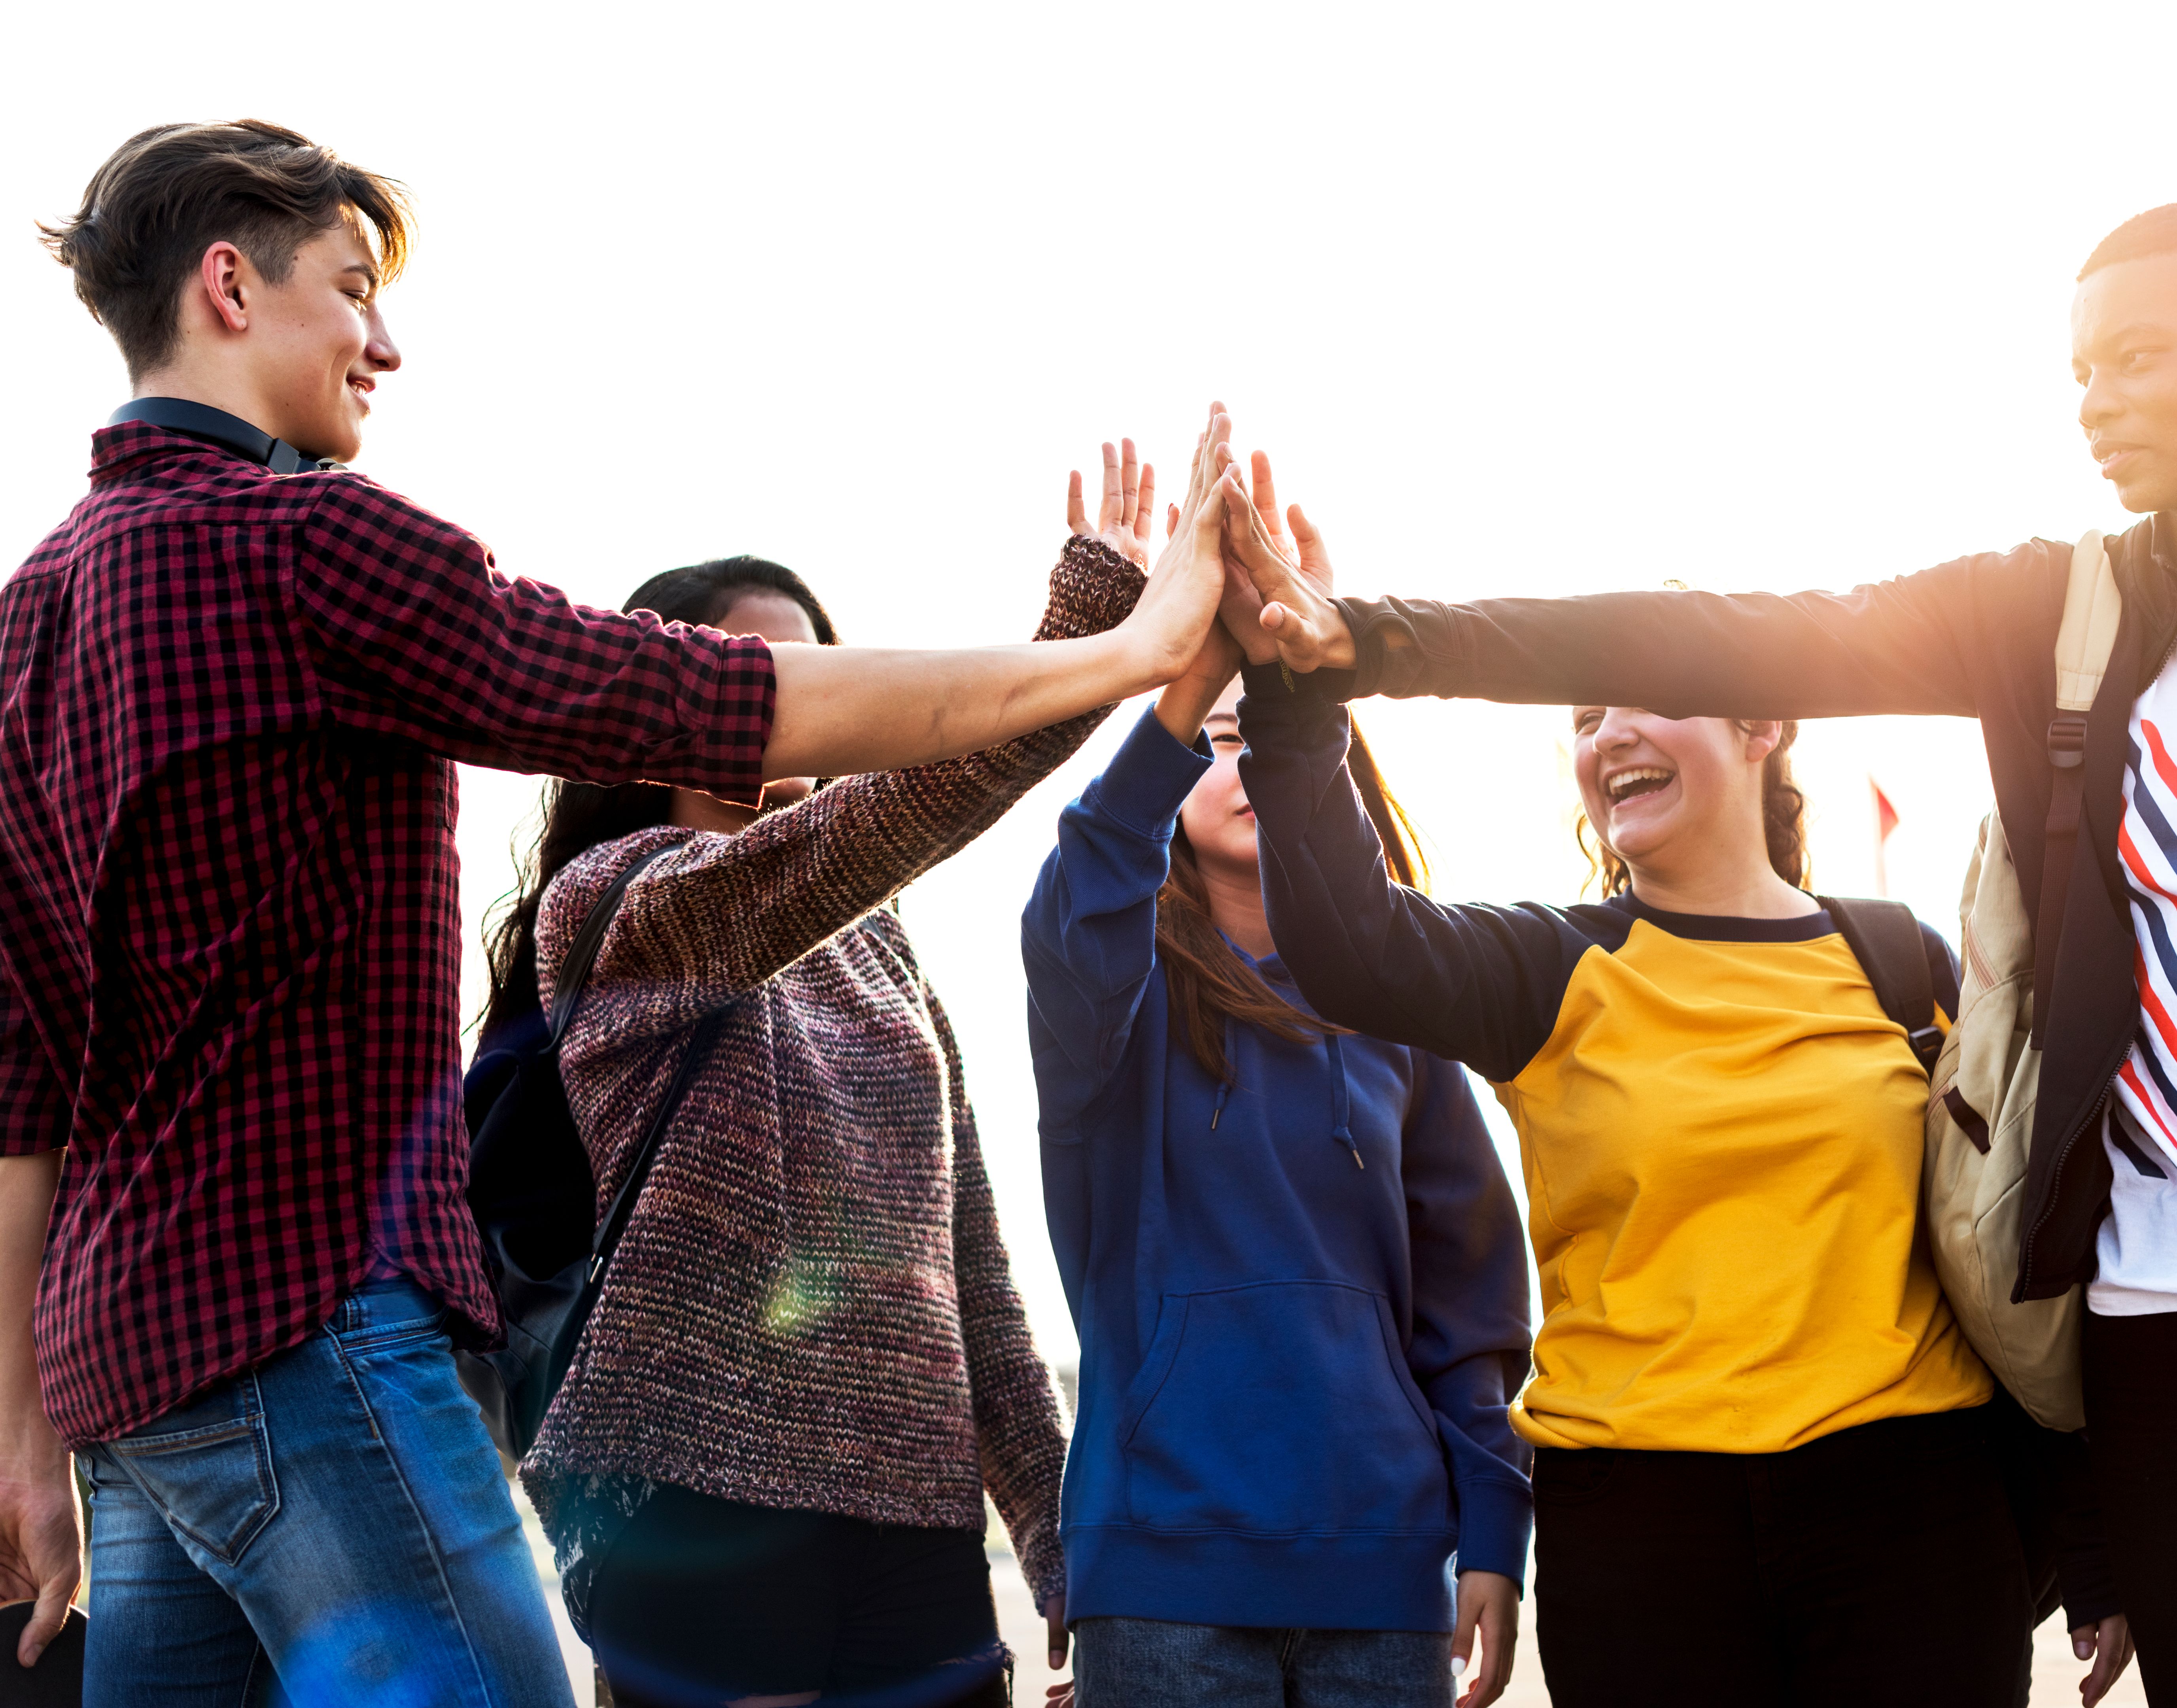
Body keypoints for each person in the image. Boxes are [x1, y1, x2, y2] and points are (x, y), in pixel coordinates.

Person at [1229, 200, 2177, 1706]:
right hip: (2169, 1343)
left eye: (2139, 359)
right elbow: (1726, 631)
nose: (2098, 403)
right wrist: (1369, 640)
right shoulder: (2053, 616)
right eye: (2080, 371)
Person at [0, 120, 1231, 1702]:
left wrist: (27, 1446)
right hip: (314, 1331)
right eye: (352, 288)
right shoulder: (309, 543)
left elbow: (24, 1079)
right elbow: (710, 700)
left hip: (127, 1377)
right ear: (230, 288)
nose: (386, 340)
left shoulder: (27, 620)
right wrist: (1117, 657)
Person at [1223, 476, 2123, 1702]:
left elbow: (2039, 1227)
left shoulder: (1904, 961)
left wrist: (2090, 1525)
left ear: (1767, 727)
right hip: (1645, 1535)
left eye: (1656, 695)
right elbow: (1345, 941)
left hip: (1913, 1513)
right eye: (1588, 713)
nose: (1610, 737)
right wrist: (1296, 684)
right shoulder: (1548, 970)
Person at [494, 455, 1162, 1706]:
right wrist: (1092, 640)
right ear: (667, 710)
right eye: (766, 685)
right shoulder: (617, 903)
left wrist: (1060, 1531)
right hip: (696, 1499)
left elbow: (966, 1262)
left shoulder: (880, 943)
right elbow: (904, 809)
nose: (800, 715)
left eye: (818, 684)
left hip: (911, 1509)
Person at [1019, 480, 1534, 1708]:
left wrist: (1492, 1533)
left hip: (1383, 1581)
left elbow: (1468, 1310)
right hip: (1164, 1584)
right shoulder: (1112, 1000)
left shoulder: (1409, 1015)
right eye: (1214, 741)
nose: (1236, 763)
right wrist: (1181, 686)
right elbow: (1078, 896)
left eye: (1266, 736)